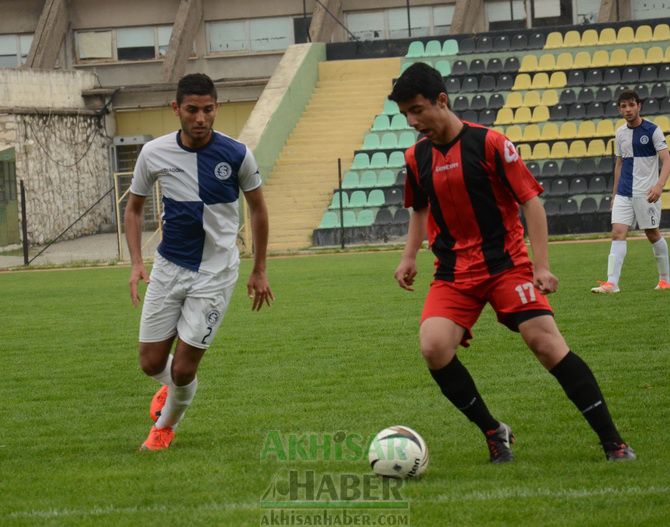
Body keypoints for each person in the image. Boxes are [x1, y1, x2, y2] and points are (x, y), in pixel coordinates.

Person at [390, 62, 635, 463]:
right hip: (453, 273)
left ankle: (613, 441)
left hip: (505, 265)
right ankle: (493, 430)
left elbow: (531, 202)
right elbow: (419, 208)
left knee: (545, 343)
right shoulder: (416, 158)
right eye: (405, 115)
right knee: (434, 348)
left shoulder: (489, 143)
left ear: (442, 100)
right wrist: (407, 256)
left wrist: (541, 265)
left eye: (418, 110)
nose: (414, 122)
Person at [124, 73, 273, 451]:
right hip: (170, 267)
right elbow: (134, 208)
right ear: (177, 109)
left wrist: (259, 268)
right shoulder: (153, 153)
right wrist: (136, 262)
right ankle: (174, 391)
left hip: (215, 273)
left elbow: (257, 209)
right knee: (149, 361)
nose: (201, 118)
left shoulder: (237, 153)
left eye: (208, 110)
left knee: (185, 367)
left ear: (216, 108)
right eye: (192, 110)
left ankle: (164, 429)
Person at [591, 90, 670, 293]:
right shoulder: (620, 133)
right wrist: (615, 194)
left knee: (652, 234)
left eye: (631, 105)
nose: (628, 109)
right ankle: (612, 283)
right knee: (617, 233)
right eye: (623, 106)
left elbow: (667, 159)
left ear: (639, 106)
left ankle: (665, 280)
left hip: (646, 194)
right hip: (624, 193)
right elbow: (620, 164)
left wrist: (659, 185)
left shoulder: (653, 130)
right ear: (619, 109)